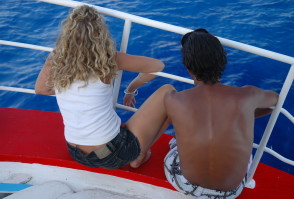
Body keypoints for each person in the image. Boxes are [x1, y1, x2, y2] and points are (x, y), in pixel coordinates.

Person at [35, 5, 174, 169]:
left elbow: (41, 89)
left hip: (75, 150)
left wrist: (68, 88)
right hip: (111, 156)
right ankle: (140, 154)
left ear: (67, 35)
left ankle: (138, 152)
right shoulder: (109, 60)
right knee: (169, 92)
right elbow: (157, 66)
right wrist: (130, 89)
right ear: (100, 34)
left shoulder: (56, 59)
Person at [163, 28, 279, 198]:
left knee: (177, 141)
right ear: (222, 63)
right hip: (230, 192)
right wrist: (244, 115)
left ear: (188, 69)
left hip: (186, 184)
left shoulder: (173, 99)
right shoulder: (248, 96)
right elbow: (274, 101)